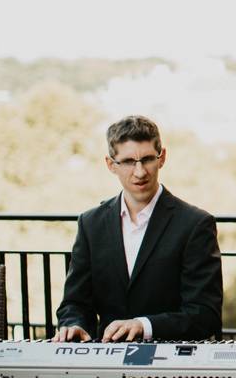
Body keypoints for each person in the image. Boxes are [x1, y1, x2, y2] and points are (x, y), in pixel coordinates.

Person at [54, 115, 223, 342]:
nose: (140, 172)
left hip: (171, 365)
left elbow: (205, 315)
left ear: (162, 158)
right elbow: (75, 303)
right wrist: (73, 325)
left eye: (147, 159)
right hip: (105, 364)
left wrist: (144, 325)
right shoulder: (90, 223)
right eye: (128, 162)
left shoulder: (195, 224)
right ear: (110, 164)